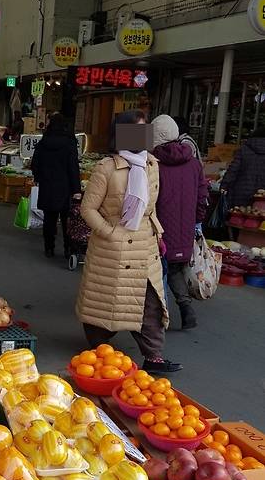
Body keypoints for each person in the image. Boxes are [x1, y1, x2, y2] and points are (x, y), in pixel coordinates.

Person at [76, 110, 181, 373]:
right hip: (113, 248)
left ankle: (153, 355)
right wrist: (109, 232)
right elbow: (88, 209)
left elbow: (150, 206)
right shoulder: (107, 168)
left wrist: (159, 233)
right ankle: (98, 352)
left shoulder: (151, 165)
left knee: (151, 301)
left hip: (145, 245)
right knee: (107, 300)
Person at [152, 114, 209, 331]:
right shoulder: (194, 163)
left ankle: (159, 318)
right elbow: (203, 195)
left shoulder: (154, 163)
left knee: (158, 272)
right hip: (184, 227)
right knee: (174, 269)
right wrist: (197, 221)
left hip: (159, 227)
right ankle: (186, 308)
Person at [31, 112, 81, 257]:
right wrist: (76, 188)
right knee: (67, 220)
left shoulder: (44, 142)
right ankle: (68, 248)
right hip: (65, 187)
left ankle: (49, 247)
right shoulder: (69, 142)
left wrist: (38, 177)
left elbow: (35, 163)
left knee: (49, 219)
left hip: (47, 185)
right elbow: (73, 167)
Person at [220, 123, 265, 207]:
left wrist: (224, 185)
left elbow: (233, 170)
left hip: (241, 193)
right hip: (262, 197)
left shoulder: (244, 149)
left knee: (237, 216)